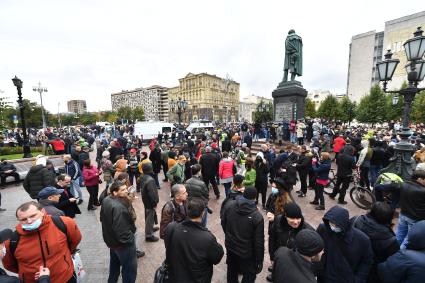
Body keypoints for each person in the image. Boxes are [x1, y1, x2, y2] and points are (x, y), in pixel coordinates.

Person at [2, 201, 82, 283]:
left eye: (33, 216)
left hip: (65, 277)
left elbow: (74, 241)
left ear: (43, 212)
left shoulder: (65, 223)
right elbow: (9, 265)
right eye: (24, 219)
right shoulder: (12, 240)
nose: (29, 221)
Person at [165, 198, 224, 283]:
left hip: (175, 277)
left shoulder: (171, 227)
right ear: (203, 213)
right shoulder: (207, 238)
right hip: (197, 279)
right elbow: (217, 258)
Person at [316, 205, 373, 283]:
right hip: (324, 277)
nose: (332, 227)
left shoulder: (362, 239)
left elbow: (367, 261)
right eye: (331, 223)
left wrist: (358, 279)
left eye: (336, 225)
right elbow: (315, 247)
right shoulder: (323, 229)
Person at [222, 186, 264, 283]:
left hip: (231, 247)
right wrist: (259, 260)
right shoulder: (257, 216)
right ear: (255, 198)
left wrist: (229, 236)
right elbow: (259, 242)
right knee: (249, 275)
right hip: (247, 253)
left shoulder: (229, 205)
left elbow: (223, 223)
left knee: (232, 270)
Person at [374, 169, 425, 249]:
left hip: (403, 215)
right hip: (415, 219)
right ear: (419, 179)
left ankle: (393, 251)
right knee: (408, 240)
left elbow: (378, 187)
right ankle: (400, 254)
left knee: (399, 235)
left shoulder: (402, 184)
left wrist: (379, 201)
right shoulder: (423, 191)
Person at [100, 181, 138, 283]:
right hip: (123, 245)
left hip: (112, 242)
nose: (126, 191)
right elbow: (121, 230)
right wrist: (130, 240)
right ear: (115, 192)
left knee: (114, 268)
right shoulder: (118, 207)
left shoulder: (106, 200)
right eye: (123, 190)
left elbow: (102, 219)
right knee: (129, 271)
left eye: (126, 189)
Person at [353, 202, 400, 283]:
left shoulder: (356, 219)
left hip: (352, 262)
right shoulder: (391, 241)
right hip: (372, 272)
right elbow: (391, 263)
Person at [267, 202, 314, 282]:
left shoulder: (307, 230)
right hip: (279, 256)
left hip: (295, 263)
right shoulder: (278, 221)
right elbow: (272, 239)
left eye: (298, 218)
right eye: (292, 218)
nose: (296, 222)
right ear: (285, 216)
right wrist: (272, 256)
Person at [140, 162, 160, 242]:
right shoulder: (150, 180)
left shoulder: (143, 177)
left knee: (149, 215)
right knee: (150, 217)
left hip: (145, 199)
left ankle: (150, 228)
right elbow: (153, 194)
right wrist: (155, 202)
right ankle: (149, 235)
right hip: (150, 201)